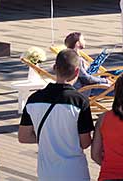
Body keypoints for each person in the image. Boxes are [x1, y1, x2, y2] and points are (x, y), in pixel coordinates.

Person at [19, 48, 95, 181]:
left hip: (46, 172)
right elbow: (85, 142)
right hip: (75, 171)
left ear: (55, 68)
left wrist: (48, 138)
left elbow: (23, 137)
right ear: (77, 71)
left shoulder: (34, 99)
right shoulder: (80, 101)